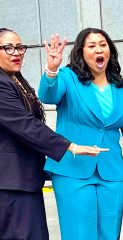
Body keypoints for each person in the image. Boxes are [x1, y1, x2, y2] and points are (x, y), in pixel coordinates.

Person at [38, 28, 123, 239]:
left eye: (103, 44)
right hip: (73, 170)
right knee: (80, 234)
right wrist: (52, 70)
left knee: (110, 234)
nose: (98, 49)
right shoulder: (68, 77)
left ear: (110, 50)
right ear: (81, 52)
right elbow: (48, 95)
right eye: (92, 46)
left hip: (111, 173)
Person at [0, 28, 105, 240]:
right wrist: (70, 146)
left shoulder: (15, 79)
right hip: (10, 183)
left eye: (20, 47)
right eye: (8, 48)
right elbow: (26, 125)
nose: (16, 52)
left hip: (25, 178)